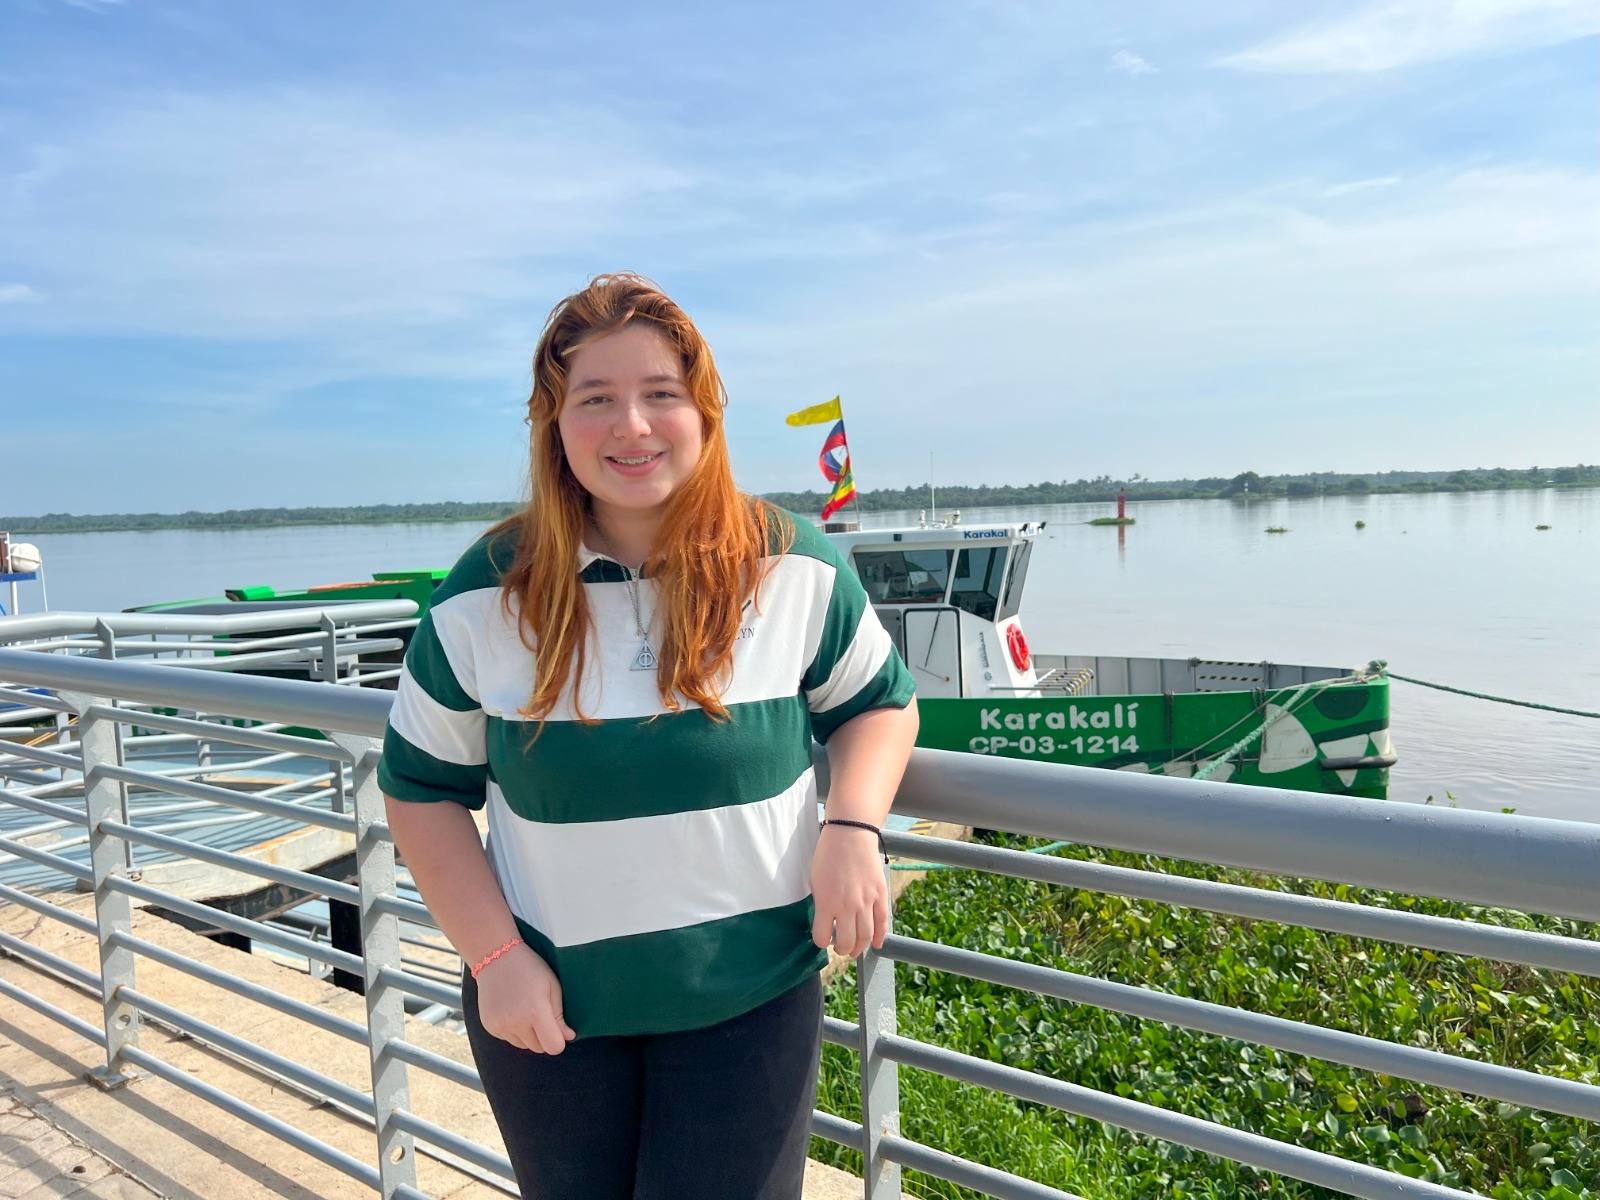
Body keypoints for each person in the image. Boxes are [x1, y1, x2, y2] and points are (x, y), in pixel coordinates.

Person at [378, 273, 919, 1199]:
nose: (631, 425)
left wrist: (853, 827)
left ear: (703, 411)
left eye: (661, 394)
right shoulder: (483, 591)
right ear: (554, 425)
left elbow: (879, 703)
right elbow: (420, 788)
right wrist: (495, 960)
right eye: (595, 400)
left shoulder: (789, 563)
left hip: (750, 997)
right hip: (550, 1008)